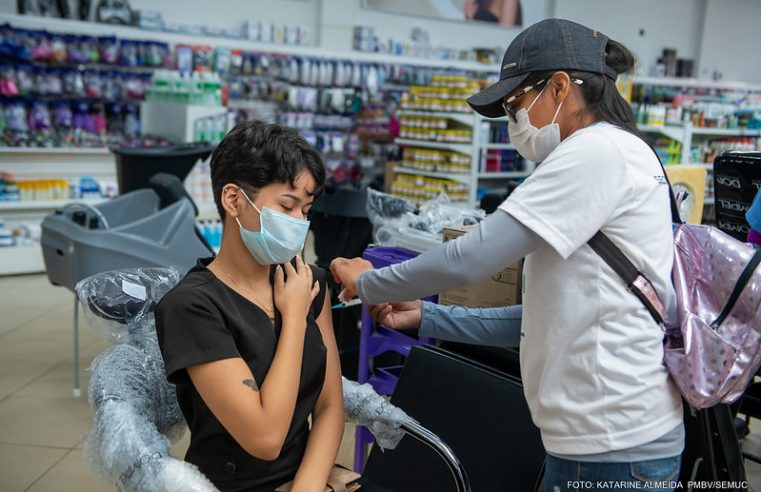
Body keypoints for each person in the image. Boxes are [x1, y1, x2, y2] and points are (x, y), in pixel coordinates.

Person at [331, 18, 684, 492]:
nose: (517, 122)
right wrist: (428, 316)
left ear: (560, 87)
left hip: (612, 446)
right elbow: (539, 317)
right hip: (603, 438)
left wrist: (367, 280)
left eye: (518, 105)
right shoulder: (621, 152)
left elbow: (468, 259)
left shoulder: (596, 152)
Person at [155, 120, 344, 492]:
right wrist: (292, 318)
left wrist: (307, 488)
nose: (299, 223)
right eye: (287, 206)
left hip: (312, 478)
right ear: (233, 200)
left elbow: (329, 408)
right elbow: (265, 438)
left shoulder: (308, 281)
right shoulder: (192, 306)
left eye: (305, 210)